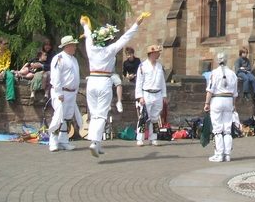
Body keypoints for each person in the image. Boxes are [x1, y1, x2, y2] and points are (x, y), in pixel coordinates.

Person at [81, 13, 147, 157]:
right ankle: (94, 141)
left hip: (91, 80)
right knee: (102, 114)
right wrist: (136, 23)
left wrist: (86, 25)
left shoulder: (90, 48)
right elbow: (125, 38)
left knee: (94, 113)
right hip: (104, 81)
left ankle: (97, 144)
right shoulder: (110, 50)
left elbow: (88, 36)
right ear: (107, 40)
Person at [48, 36, 82, 152]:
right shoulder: (59, 58)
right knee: (59, 116)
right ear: (67, 46)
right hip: (61, 92)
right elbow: (55, 76)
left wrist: (75, 91)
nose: (75, 47)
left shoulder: (74, 59)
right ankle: (53, 141)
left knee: (67, 117)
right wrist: (59, 93)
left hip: (71, 93)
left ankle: (63, 140)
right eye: (73, 45)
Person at [203, 52, 238, 162]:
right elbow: (235, 93)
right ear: (226, 60)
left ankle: (219, 154)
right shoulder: (233, 74)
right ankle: (227, 154)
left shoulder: (214, 73)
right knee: (227, 128)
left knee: (217, 129)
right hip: (228, 100)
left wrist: (206, 103)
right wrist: (233, 105)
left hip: (217, 100)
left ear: (217, 61)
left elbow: (210, 90)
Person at [135, 44, 167, 147]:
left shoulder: (159, 66)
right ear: (152, 53)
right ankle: (140, 138)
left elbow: (162, 82)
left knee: (155, 118)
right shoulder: (142, 66)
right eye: (157, 52)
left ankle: (153, 138)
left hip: (157, 94)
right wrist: (140, 96)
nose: (158, 54)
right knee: (143, 117)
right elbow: (139, 82)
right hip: (146, 94)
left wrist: (164, 95)